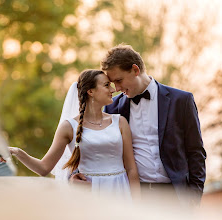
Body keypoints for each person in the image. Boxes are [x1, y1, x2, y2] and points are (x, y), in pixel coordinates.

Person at [71, 44, 206, 206]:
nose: (117, 89)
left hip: (176, 196)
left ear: (135, 70)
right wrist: (75, 174)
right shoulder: (112, 108)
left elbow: (196, 151)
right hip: (134, 194)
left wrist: (195, 194)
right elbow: (94, 144)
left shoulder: (181, 100)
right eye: (113, 83)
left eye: (119, 81)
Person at [2, 69, 141, 200]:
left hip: (120, 192)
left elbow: (131, 169)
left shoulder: (120, 122)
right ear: (91, 91)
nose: (113, 90)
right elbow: (44, 168)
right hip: (88, 195)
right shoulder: (69, 127)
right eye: (106, 85)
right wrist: (17, 152)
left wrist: (137, 206)